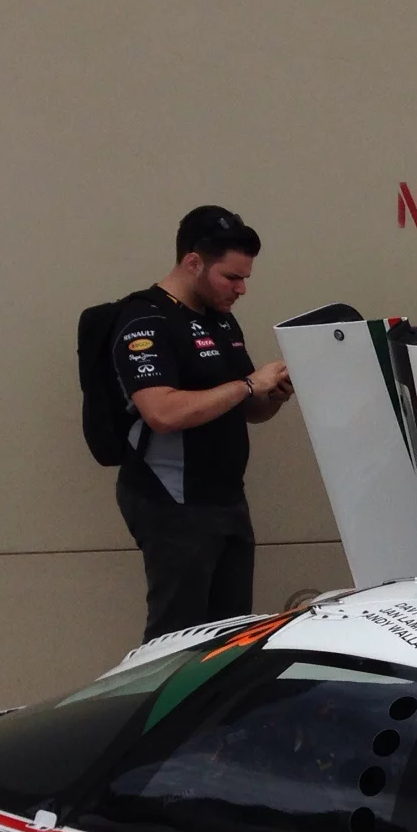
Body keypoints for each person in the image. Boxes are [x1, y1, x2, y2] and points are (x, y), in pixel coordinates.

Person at [110, 206, 292, 642]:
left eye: (245, 277)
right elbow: (163, 413)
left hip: (227, 499)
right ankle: (161, 714)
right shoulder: (146, 319)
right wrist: (250, 384)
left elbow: (248, 407)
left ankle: (216, 713)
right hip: (172, 502)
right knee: (176, 642)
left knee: (230, 638)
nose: (242, 289)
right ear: (193, 262)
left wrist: (274, 394)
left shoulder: (221, 320)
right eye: (231, 277)